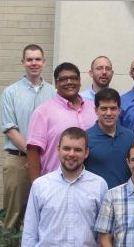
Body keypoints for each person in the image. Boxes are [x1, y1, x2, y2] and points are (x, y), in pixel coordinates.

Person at [0, 44, 55, 230]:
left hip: (46, 162)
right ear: (23, 62)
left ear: (44, 62)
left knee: (44, 212)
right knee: (13, 215)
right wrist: (33, 155)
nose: (34, 63)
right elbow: (10, 128)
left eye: (38, 59)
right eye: (29, 59)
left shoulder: (53, 93)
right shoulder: (10, 92)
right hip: (17, 159)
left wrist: (40, 158)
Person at [22, 127, 108, 246]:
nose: (71, 154)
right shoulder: (40, 185)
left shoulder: (99, 185)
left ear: (86, 153)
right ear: (58, 149)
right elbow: (29, 234)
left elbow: (103, 234)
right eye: (66, 148)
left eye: (78, 150)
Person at [27, 62, 97, 182]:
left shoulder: (93, 109)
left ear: (79, 81)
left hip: (89, 183)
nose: (69, 82)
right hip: (55, 183)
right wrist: (36, 186)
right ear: (56, 83)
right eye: (63, 79)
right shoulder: (43, 112)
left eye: (73, 78)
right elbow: (33, 151)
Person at [85, 88, 134, 188]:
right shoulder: (86, 138)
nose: (109, 113)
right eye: (104, 109)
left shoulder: (130, 137)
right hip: (96, 198)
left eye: (113, 108)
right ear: (96, 110)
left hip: (124, 199)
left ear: (119, 110)